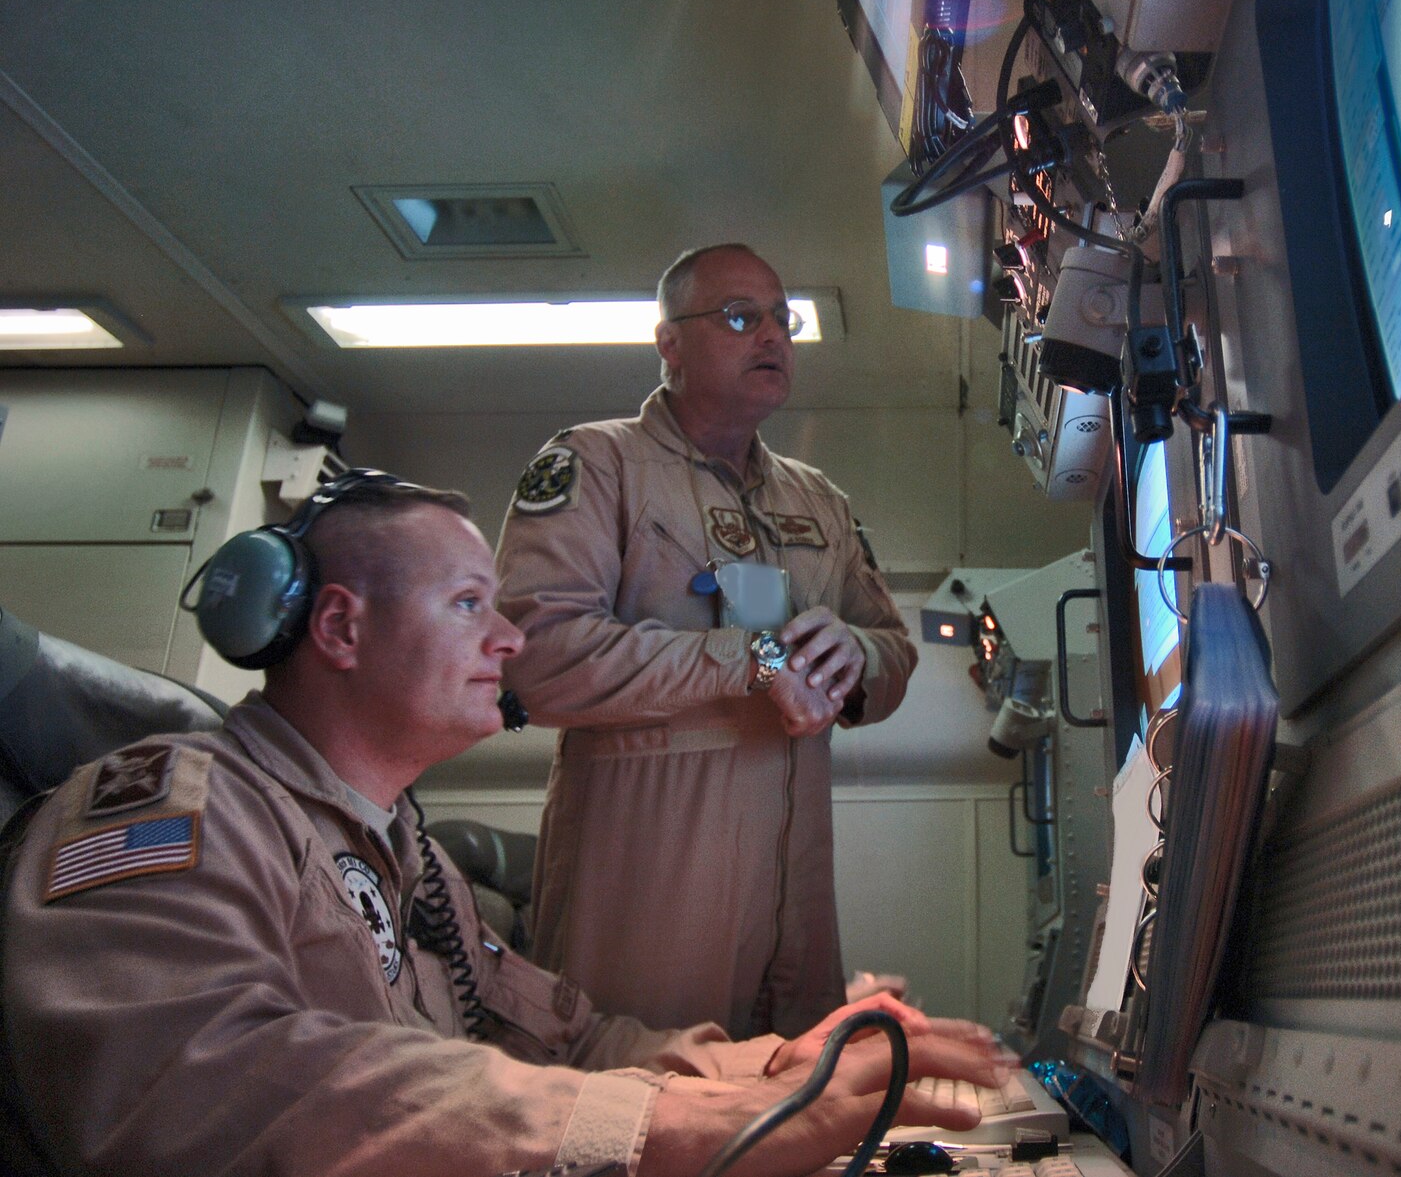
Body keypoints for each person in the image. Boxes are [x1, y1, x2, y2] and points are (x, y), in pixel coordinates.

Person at [0, 480, 999, 1177]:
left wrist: (781, 1067)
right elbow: (206, 1092)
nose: (511, 638)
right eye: (471, 603)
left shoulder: (400, 850)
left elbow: (569, 1035)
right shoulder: (179, 805)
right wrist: (701, 1124)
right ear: (342, 630)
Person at [494, 243, 918, 1040]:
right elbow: (532, 659)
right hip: (645, 905)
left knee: (795, 1122)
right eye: (738, 316)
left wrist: (858, 655)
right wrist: (748, 659)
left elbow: (893, 648)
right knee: (639, 1125)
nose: (771, 335)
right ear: (669, 344)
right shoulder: (599, 463)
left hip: (797, 908)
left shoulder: (818, 500)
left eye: (781, 319)